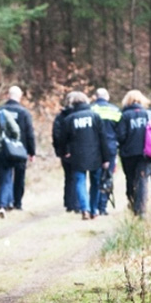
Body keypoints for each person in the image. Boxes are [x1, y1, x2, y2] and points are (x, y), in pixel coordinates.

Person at [55, 91, 110, 220]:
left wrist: (64, 153)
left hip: (77, 156)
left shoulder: (69, 119)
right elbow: (103, 138)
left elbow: (62, 139)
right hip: (95, 155)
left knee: (80, 182)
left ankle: (84, 208)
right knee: (95, 183)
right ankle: (94, 209)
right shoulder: (95, 117)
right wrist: (106, 158)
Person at [116, 90, 151, 217]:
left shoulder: (124, 115)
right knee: (142, 179)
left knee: (130, 179)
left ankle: (132, 203)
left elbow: (120, 136)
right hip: (145, 153)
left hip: (128, 154)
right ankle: (141, 209)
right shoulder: (148, 114)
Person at [2, 85, 36, 210]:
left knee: (6, 175)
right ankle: (17, 202)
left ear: (7, 95)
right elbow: (29, 133)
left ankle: (6, 201)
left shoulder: (0, 110)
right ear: (20, 96)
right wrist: (32, 152)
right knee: (20, 176)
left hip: (3, 148)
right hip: (21, 150)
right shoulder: (24, 112)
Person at [90, 88, 120, 216]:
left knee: (95, 178)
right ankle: (103, 207)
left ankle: (94, 206)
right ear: (107, 97)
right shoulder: (115, 110)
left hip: (94, 148)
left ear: (95, 97)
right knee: (107, 177)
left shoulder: (90, 110)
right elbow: (120, 131)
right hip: (111, 147)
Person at [52, 94, 78, 213]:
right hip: (77, 151)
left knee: (69, 177)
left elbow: (56, 135)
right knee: (77, 177)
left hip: (65, 152)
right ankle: (75, 203)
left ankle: (69, 203)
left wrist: (61, 151)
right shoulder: (78, 115)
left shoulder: (60, 116)